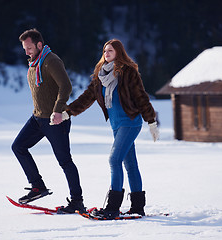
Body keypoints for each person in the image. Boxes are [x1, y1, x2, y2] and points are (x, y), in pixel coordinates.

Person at [66, 39, 159, 219]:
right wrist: (68, 112)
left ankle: (113, 206)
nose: (106, 53)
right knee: (130, 165)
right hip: (116, 125)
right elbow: (87, 97)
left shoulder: (128, 72)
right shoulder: (100, 75)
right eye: (105, 50)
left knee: (114, 160)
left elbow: (141, 97)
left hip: (130, 122)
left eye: (110, 50)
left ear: (119, 52)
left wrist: (151, 121)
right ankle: (138, 207)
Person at [11, 28, 85, 214]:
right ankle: (38, 187)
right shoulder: (34, 63)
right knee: (18, 146)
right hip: (38, 118)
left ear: (39, 44)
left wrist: (58, 110)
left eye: (29, 47)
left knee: (65, 161)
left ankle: (77, 201)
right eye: (24, 48)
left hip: (55, 120)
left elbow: (66, 86)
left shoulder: (51, 60)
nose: (26, 51)